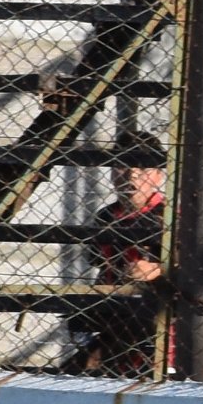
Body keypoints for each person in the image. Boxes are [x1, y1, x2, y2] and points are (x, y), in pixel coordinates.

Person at [66, 131, 169, 375]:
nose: (132, 174)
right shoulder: (106, 216)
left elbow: (201, 269)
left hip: (156, 315)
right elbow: (101, 265)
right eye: (123, 165)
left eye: (143, 168)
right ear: (112, 172)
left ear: (158, 175)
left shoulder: (169, 215)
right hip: (114, 311)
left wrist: (159, 269)